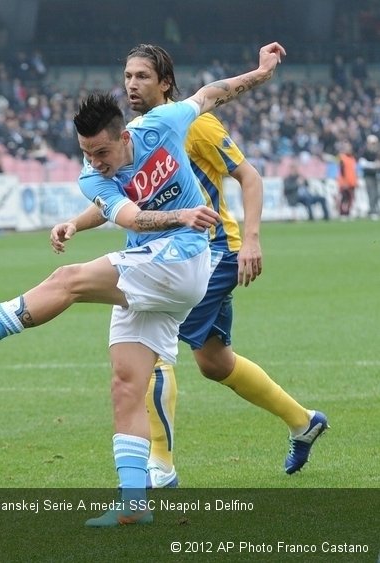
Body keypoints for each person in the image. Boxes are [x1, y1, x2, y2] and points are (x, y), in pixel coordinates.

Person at [0, 42, 286, 527]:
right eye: (86, 153)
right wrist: (176, 214)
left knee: (68, 280)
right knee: (126, 386)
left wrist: (260, 72)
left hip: (185, 261)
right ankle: (134, 504)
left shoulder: (162, 124)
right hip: (155, 259)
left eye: (103, 151)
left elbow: (215, 92)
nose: (96, 162)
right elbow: (130, 215)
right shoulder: (93, 179)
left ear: (123, 136)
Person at [120, 44, 328, 489]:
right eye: (128, 76)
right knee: (214, 362)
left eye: (141, 76)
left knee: (151, 344)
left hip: (214, 252)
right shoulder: (137, 132)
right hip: (181, 256)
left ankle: (160, 466)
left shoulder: (194, 123)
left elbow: (249, 177)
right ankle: (304, 421)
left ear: (165, 83)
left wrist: (251, 240)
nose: (132, 85)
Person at [359, 134, 379, 220]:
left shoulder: (376, 152)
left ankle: (374, 209)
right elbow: (362, 163)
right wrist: (374, 165)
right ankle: (372, 211)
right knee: (371, 193)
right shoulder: (365, 152)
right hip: (368, 175)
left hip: (376, 175)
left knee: (376, 193)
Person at [337, 141, 358, 219]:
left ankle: (348, 212)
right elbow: (342, 171)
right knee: (344, 198)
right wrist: (344, 182)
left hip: (351, 182)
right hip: (345, 183)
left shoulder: (352, 158)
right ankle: (342, 213)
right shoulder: (342, 158)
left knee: (350, 199)